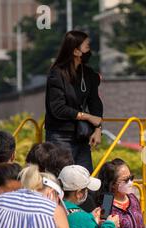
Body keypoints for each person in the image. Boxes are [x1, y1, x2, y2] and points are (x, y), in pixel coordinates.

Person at [45, 30, 104, 173]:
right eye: (87, 46)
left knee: (84, 178)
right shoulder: (57, 73)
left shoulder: (88, 73)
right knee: (61, 176)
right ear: (76, 51)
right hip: (60, 134)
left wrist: (98, 129)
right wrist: (87, 117)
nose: (90, 49)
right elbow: (58, 108)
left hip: (82, 136)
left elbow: (95, 102)